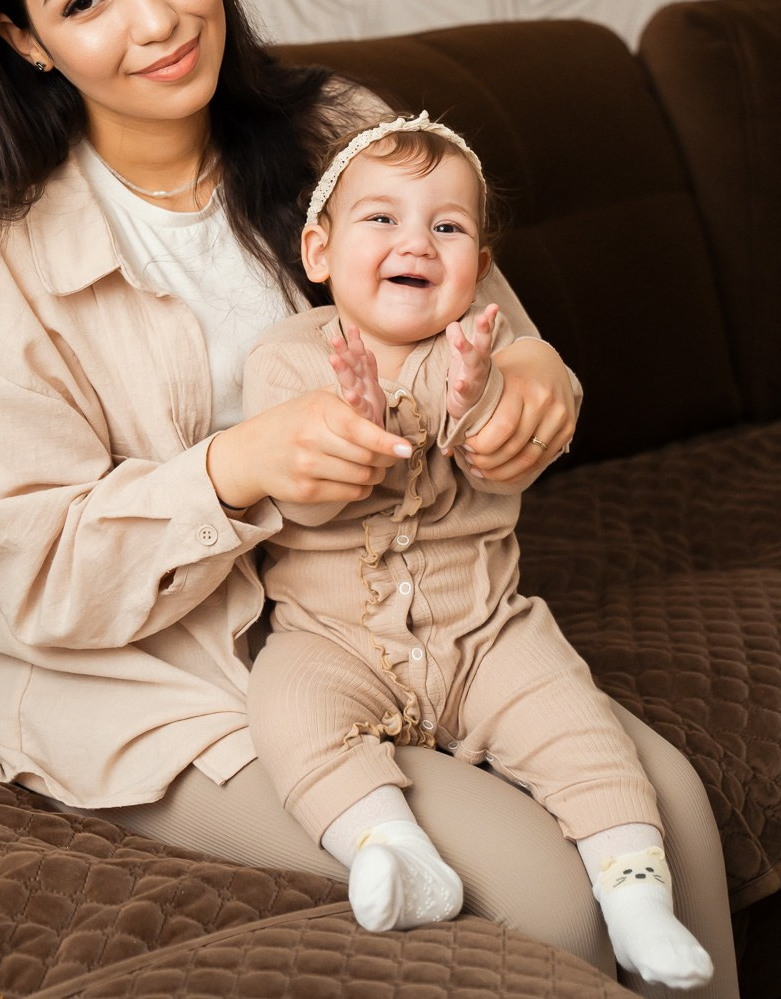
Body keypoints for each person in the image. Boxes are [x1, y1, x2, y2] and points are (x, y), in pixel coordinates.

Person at [0, 0, 739, 996]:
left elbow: (499, 341)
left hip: (413, 619)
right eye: (86, 1)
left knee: (679, 823)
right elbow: (39, 572)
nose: (161, 17)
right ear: (23, 39)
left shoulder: (341, 130)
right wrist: (239, 469)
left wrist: (536, 387)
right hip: (153, 674)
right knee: (545, 897)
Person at [243, 112, 713, 990]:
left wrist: (482, 391)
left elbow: (499, 440)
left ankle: (635, 891)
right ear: (318, 249)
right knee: (286, 710)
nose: (414, 240)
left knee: (581, 729)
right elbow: (302, 490)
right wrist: (358, 418)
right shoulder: (285, 359)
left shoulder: (478, 351)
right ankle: (391, 846)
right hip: (331, 640)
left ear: (481, 270)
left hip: (486, 631)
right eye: (380, 219)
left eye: (447, 227)